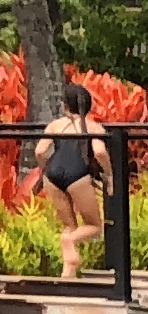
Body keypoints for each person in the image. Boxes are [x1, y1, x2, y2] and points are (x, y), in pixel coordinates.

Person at [22, 84, 110, 283]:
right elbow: (100, 152)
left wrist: (44, 170)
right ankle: (69, 242)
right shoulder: (93, 126)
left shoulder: (55, 125)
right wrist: (109, 175)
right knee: (94, 226)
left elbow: (39, 151)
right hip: (77, 175)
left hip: (53, 176)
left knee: (69, 225)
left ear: (65, 106)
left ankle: (67, 277)